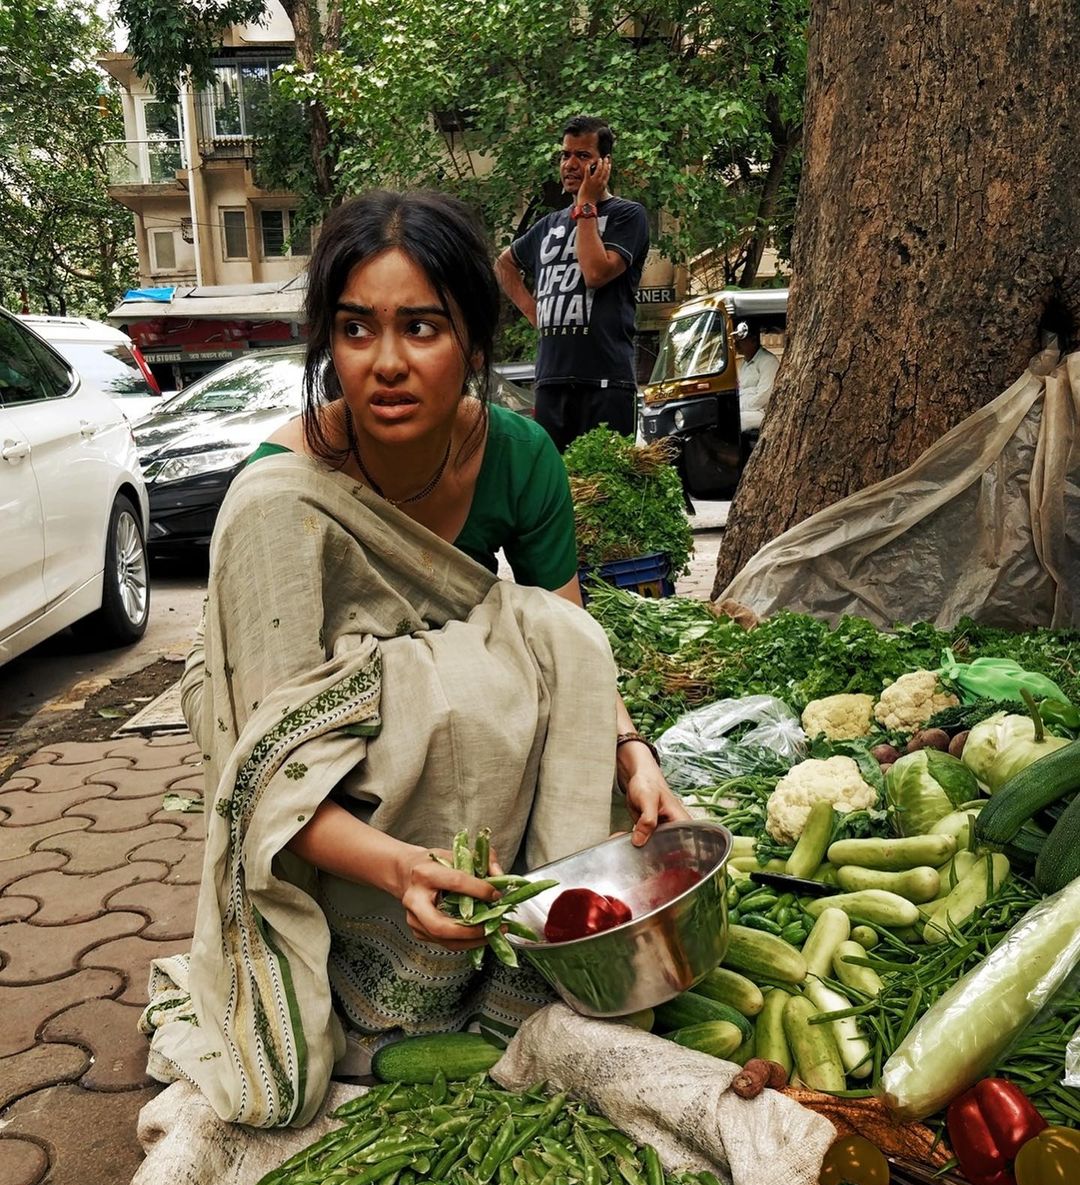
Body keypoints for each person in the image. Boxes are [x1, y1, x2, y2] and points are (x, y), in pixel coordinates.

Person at [140, 190, 687, 1127]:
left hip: (442, 733)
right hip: (312, 744)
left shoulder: (518, 457)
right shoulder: (279, 503)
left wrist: (635, 756)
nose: (387, 364)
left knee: (529, 646)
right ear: (328, 345)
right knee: (444, 693)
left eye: (422, 328)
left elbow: (566, 648)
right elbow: (263, 775)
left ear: (473, 342)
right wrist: (398, 867)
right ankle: (377, 983)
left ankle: (521, 949)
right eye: (357, 329)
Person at [495, 115, 650, 452]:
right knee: (554, 488)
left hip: (605, 381)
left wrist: (586, 207)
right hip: (551, 379)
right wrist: (536, 314)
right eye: (565, 155)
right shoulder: (547, 225)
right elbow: (504, 264)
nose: (570, 164)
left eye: (583, 156)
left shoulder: (627, 216)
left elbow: (595, 273)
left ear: (604, 164)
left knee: (602, 490)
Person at [734, 321, 780, 438]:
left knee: (735, 422)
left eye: (741, 341)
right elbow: (741, 390)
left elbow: (764, 396)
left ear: (753, 340)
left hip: (762, 413)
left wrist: (741, 405)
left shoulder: (768, 361)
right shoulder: (744, 364)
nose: (736, 344)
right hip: (746, 409)